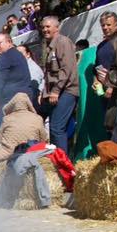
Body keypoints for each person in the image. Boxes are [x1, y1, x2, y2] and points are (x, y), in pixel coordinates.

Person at [39, 16, 80, 149]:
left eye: (48, 26)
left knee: (57, 128)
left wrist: (55, 91)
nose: (45, 30)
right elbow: (49, 74)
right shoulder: (49, 46)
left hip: (66, 90)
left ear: (57, 28)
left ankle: (63, 160)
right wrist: (44, 93)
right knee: (55, 129)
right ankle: (59, 157)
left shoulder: (63, 42)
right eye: (43, 27)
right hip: (55, 92)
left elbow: (66, 69)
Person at [0, 93, 47, 168]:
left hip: (8, 151)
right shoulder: (38, 118)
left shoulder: (7, 118)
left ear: (13, 104)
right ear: (28, 104)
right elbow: (43, 137)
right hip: (31, 151)